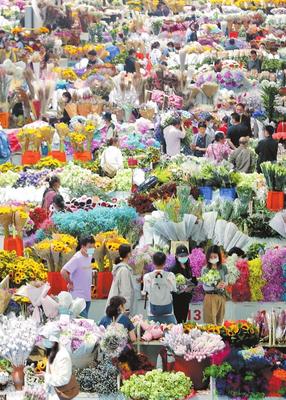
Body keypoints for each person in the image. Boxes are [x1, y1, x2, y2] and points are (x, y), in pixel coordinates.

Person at [61, 236, 95, 318]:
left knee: (84, 321)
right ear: (83, 246)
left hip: (87, 296)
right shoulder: (77, 258)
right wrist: (70, 282)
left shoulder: (89, 254)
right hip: (78, 297)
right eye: (89, 247)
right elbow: (63, 271)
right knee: (83, 321)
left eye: (93, 247)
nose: (92, 249)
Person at [41, 327, 76, 400]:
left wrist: (46, 376)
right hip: (52, 392)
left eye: (45, 339)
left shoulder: (63, 356)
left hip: (60, 394)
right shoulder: (53, 351)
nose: (43, 341)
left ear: (53, 340)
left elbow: (63, 379)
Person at [142, 252, 177, 324]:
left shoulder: (147, 277)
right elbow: (174, 289)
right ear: (165, 262)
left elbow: (145, 291)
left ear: (153, 262)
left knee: (152, 333)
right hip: (168, 311)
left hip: (152, 312)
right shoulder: (171, 276)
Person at [170, 245, 198, 323]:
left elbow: (195, 281)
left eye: (185, 255)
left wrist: (191, 286)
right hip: (177, 299)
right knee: (178, 320)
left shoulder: (190, 268)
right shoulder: (173, 269)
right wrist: (181, 288)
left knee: (184, 320)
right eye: (181, 255)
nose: (183, 257)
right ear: (176, 256)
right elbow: (171, 285)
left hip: (186, 298)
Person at [202, 245, 228, 325]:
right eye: (211, 257)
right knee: (210, 324)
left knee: (220, 323)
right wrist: (215, 287)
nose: (213, 258)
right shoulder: (205, 269)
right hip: (210, 297)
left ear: (219, 256)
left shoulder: (223, 268)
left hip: (221, 297)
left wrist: (224, 284)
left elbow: (226, 281)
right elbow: (204, 287)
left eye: (215, 256)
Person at [106, 244, 135, 315]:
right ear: (128, 254)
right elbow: (125, 291)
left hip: (119, 305)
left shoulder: (121, 268)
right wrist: (126, 307)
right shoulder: (124, 270)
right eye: (131, 252)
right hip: (122, 307)